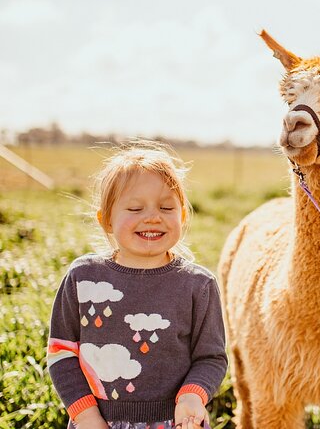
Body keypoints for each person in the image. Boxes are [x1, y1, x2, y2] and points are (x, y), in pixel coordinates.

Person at [47, 141, 227, 429]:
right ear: (106, 220)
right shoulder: (83, 278)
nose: (153, 216)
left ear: (182, 215)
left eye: (166, 207)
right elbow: (62, 352)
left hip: (174, 423)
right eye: (134, 207)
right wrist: (86, 416)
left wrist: (192, 397)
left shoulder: (199, 285)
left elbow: (211, 357)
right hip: (96, 422)